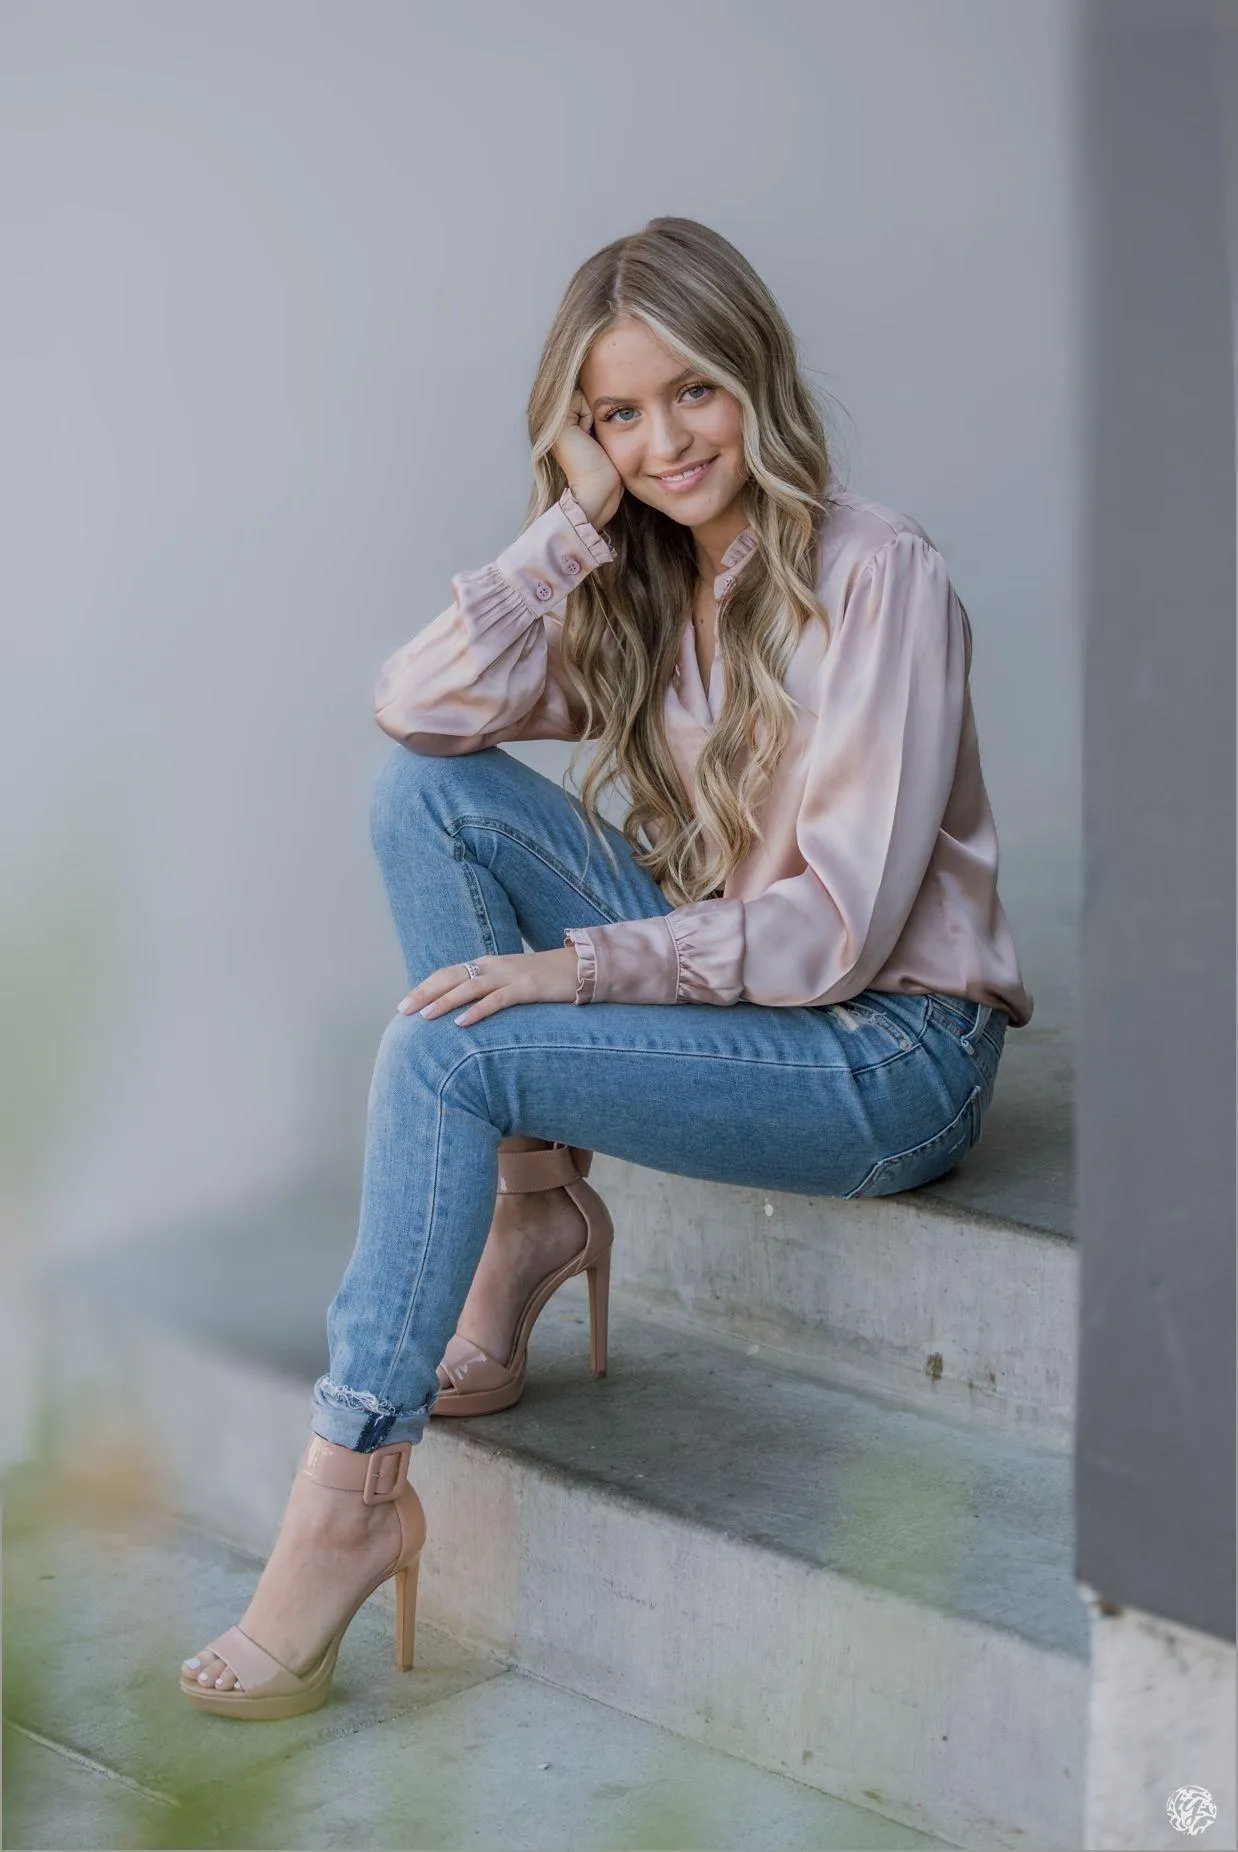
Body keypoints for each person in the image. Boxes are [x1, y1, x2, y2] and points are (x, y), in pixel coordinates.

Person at [180, 215, 1033, 1717]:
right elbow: (416, 707)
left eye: (690, 391)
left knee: (445, 1051)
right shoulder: (641, 579)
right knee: (420, 794)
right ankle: (532, 1212)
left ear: (753, 378)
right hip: (743, 988)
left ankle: (350, 1491)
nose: (662, 440)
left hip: (882, 1055)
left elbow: (833, 929)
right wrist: (566, 526)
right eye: (616, 414)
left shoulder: (875, 571)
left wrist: (581, 970)